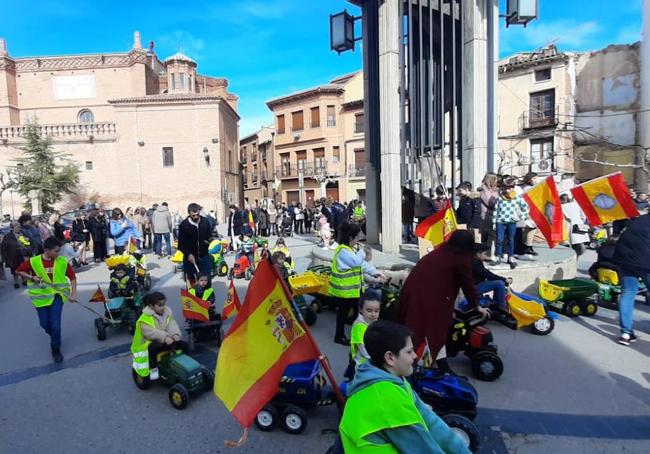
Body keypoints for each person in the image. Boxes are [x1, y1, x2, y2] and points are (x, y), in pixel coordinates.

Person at [339, 320, 471, 454]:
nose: (415, 356)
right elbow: (424, 450)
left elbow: (432, 423)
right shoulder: (388, 399)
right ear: (390, 358)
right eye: (409, 352)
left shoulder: (389, 377)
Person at [399, 230, 489, 374]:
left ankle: (441, 365)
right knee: (431, 335)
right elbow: (468, 284)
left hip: (412, 293)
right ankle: (420, 370)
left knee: (430, 334)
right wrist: (477, 306)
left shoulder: (442, 251)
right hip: (431, 301)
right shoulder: (460, 257)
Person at [16, 237, 78, 363]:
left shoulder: (62, 261)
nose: (58, 253)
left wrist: (74, 293)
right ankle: (55, 335)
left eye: (59, 250)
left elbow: (72, 277)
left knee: (55, 324)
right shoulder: (34, 261)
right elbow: (18, 271)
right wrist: (32, 277)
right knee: (44, 324)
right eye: (56, 251)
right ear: (46, 250)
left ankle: (55, 348)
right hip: (40, 298)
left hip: (57, 296)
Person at [329, 222, 386, 345]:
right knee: (349, 314)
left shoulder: (349, 249)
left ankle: (354, 335)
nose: (358, 240)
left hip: (352, 290)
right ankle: (343, 336)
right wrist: (363, 251)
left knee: (353, 314)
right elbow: (356, 262)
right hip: (344, 291)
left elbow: (362, 264)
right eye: (357, 237)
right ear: (350, 238)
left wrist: (375, 273)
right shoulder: (343, 251)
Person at [130, 291, 189, 380]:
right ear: (151, 306)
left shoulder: (166, 313)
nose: (163, 307)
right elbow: (151, 332)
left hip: (165, 339)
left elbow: (171, 324)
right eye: (160, 305)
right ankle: (153, 368)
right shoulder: (144, 319)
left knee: (184, 345)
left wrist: (175, 334)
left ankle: (184, 365)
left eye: (163, 304)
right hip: (148, 344)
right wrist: (165, 337)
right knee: (154, 347)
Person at [612, 213, 650, 346]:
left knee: (627, 293)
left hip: (625, 260)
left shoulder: (639, 220)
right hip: (646, 263)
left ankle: (626, 333)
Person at [493, 177, 528, 268]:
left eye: (509, 188)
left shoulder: (517, 198)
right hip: (500, 221)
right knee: (499, 239)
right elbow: (496, 210)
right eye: (505, 188)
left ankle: (510, 257)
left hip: (511, 221)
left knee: (511, 239)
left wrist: (522, 217)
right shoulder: (500, 198)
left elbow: (525, 207)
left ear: (513, 188)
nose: (507, 190)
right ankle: (498, 256)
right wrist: (494, 222)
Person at [178, 203, 213, 287]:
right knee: (192, 285)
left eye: (197, 213)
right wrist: (188, 254)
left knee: (206, 283)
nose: (195, 215)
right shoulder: (184, 225)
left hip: (204, 257)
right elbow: (181, 245)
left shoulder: (205, 221)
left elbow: (210, 235)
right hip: (190, 260)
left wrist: (208, 241)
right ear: (189, 213)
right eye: (193, 214)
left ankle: (207, 300)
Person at [473, 243, 512, 309]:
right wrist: (505, 279)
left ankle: (496, 304)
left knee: (498, 282)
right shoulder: (475, 263)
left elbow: (487, 275)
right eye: (484, 254)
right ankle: (502, 307)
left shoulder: (475, 261)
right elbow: (488, 275)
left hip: (476, 284)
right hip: (475, 287)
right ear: (478, 254)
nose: (486, 256)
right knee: (499, 283)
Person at [350, 289, 381, 367]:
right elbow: (362, 348)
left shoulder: (372, 321)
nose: (373, 314)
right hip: (361, 363)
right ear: (360, 309)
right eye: (369, 311)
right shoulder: (359, 326)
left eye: (376, 311)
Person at [1, 221, 30, 289]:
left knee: (23, 268)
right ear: (12, 228)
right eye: (17, 226)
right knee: (14, 270)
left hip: (22, 254)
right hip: (13, 255)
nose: (19, 228)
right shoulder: (7, 236)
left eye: (19, 226)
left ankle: (24, 280)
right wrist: (5, 257)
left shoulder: (22, 234)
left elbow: (28, 243)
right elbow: (3, 247)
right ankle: (16, 282)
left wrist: (26, 242)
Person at [479, 172, 499, 258]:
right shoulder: (483, 190)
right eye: (495, 180)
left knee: (493, 236)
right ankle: (487, 254)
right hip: (487, 215)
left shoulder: (495, 190)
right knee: (488, 236)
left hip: (495, 215)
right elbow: (491, 202)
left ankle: (491, 253)